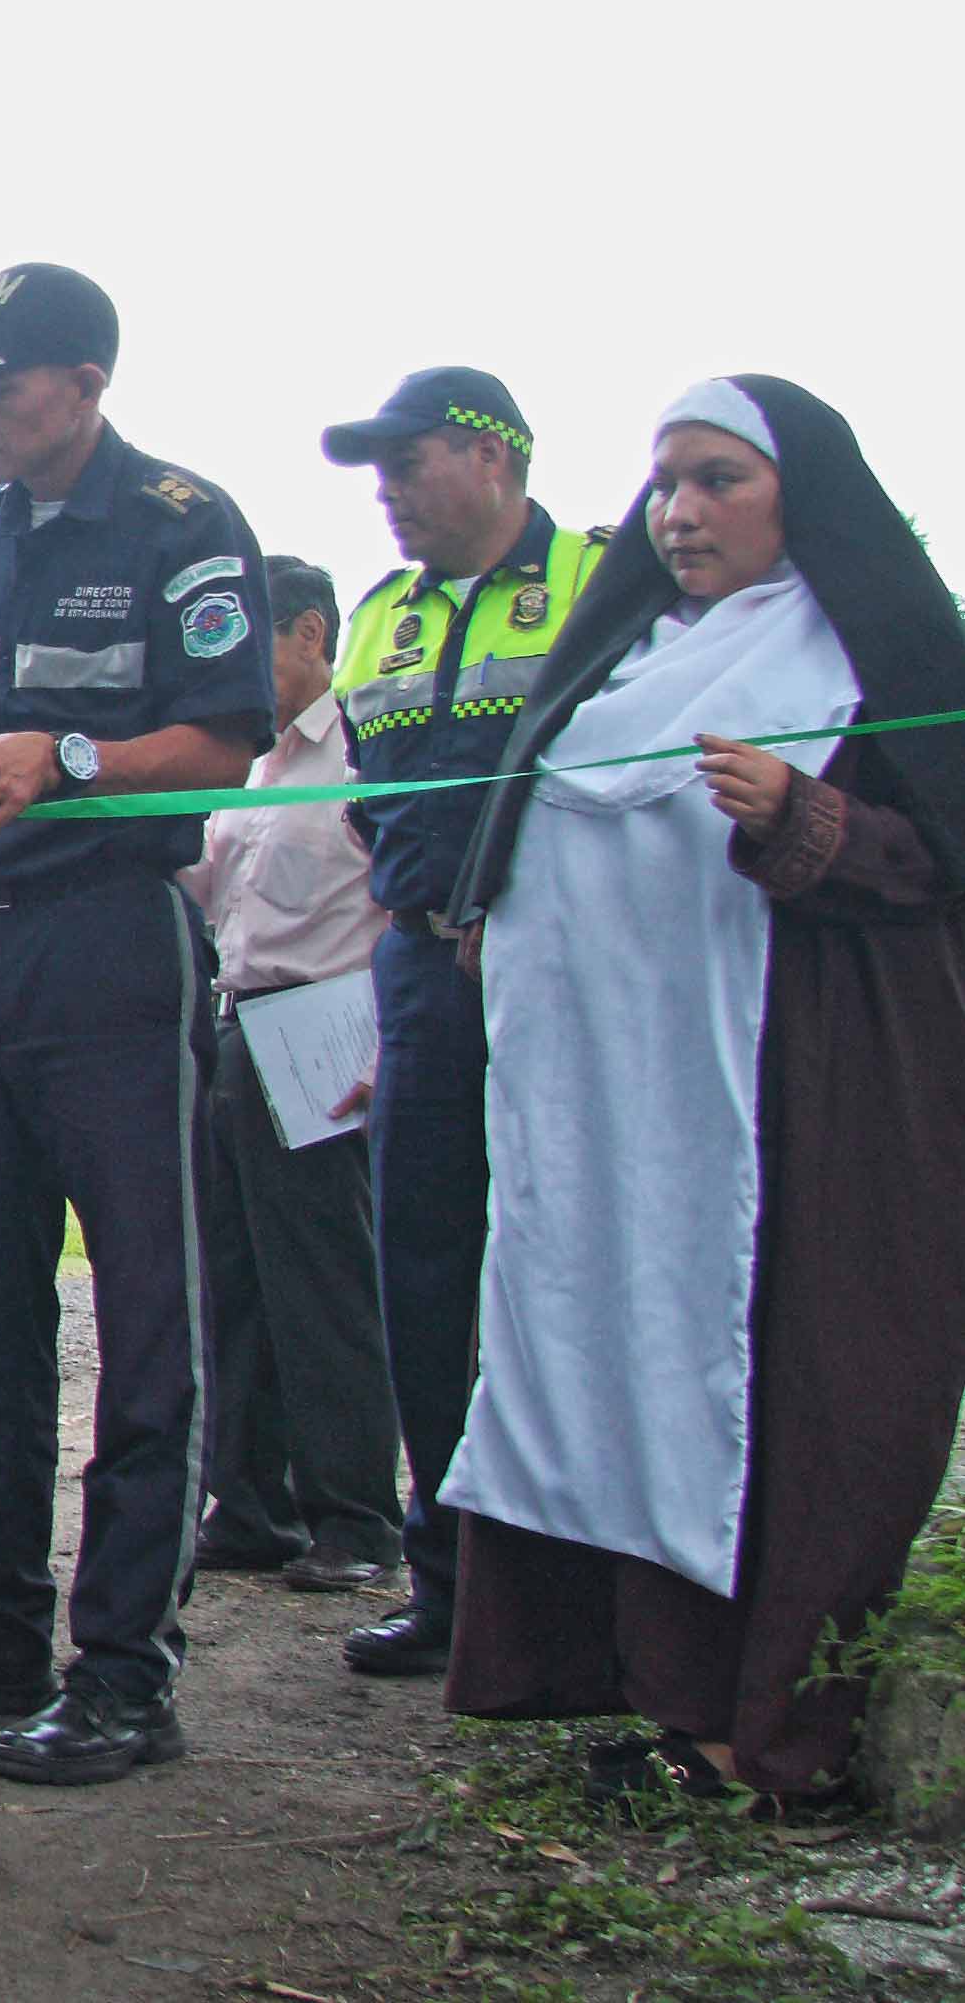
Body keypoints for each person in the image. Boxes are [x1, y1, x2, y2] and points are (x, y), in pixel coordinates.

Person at [440, 376, 965, 1812]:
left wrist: (810, 820)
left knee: (809, 1387)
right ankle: (672, 1698)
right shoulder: (620, 666)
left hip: (814, 1095)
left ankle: (777, 1731)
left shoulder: (892, 654)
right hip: (624, 1113)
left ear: (806, 495)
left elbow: (944, 858)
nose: (677, 512)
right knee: (631, 1368)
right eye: (664, 483)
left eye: (718, 479)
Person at [0, 262, 274, 1786]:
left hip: (111, 949)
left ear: (84, 385)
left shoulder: (181, 523)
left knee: (146, 1309)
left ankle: (127, 1671)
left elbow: (223, 747)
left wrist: (67, 756)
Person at [315, 367, 611, 1680]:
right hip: (425, 978)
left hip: (570, 979)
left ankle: (586, 1603)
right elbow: (373, 819)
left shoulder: (604, 581)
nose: (385, 490)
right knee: (424, 1283)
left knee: (568, 1274)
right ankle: (449, 1589)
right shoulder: (379, 616)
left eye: (407, 460)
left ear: (493, 455)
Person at [173, 556, 400, 1595]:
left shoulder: (364, 751)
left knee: (324, 1284)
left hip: (326, 1028)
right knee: (235, 1282)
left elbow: (399, 900)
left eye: (249, 639)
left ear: (309, 634)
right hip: (238, 1024)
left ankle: (354, 1516)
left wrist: (384, 1046)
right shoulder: (252, 763)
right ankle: (250, 1503)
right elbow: (208, 884)